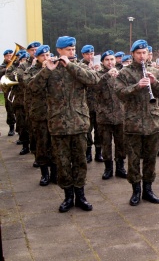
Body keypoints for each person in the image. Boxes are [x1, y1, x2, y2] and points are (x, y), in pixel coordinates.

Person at [29, 36, 99, 213]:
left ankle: (80, 195)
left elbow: (93, 80)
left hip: (79, 123)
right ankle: (68, 196)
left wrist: (71, 65)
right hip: (58, 124)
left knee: (80, 161)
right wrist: (46, 70)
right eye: (68, 50)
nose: (72, 52)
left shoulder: (78, 67)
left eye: (73, 49)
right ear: (59, 50)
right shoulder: (49, 69)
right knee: (62, 162)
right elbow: (32, 89)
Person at [115, 39, 159, 206]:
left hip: (152, 123)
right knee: (133, 159)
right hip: (133, 124)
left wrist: (155, 82)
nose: (141, 56)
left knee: (150, 159)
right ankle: (135, 190)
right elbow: (119, 93)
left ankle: (148, 189)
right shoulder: (125, 73)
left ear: (148, 54)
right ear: (132, 54)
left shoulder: (155, 71)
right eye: (138, 53)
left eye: (144, 53)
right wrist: (137, 86)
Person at [23, 45, 57, 186]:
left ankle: (55, 173)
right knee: (42, 145)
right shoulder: (30, 71)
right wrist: (45, 70)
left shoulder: (55, 68)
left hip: (54, 113)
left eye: (48, 55)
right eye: (43, 56)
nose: (46, 58)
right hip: (39, 113)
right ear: (36, 57)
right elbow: (31, 86)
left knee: (55, 145)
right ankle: (44, 174)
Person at [95, 50, 127, 180]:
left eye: (112, 59)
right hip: (104, 116)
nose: (110, 62)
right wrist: (107, 75)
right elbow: (95, 87)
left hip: (120, 115)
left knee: (121, 143)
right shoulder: (98, 74)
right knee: (106, 144)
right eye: (107, 60)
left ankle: (120, 167)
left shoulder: (122, 74)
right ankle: (108, 168)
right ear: (103, 62)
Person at [7, 42, 41, 155]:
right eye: (32, 50)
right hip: (23, 101)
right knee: (24, 126)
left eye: (37, 49)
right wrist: (33, 67)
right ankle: (26, 146)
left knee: (38, 130)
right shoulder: (22, 65)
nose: (35, 52)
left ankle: (37, 151)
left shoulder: (47, 64)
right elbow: (22, 80)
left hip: (40, 104)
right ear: (28, 52)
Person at [80, 45, 103, 163]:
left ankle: (98, 152)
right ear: (83, 55)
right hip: (86, 104)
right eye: (88, 54)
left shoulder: (100, 66)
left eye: (92, 53)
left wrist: (97, 71)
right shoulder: (80, 67)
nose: (90, 56)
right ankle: (88, 152)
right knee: (87, 130)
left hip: (99, 104)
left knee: (99, 130)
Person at [1, 49, 16, 136]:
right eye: (8, 56)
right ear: (4, 57)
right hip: (8, 90)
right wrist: (6, 69)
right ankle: (11, 127)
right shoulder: (2, 66)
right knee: (9, 109)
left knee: (19, 110)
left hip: (17, 90)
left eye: (11, 55)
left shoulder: (16, 64)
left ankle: (21, 128)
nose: (10, 57)